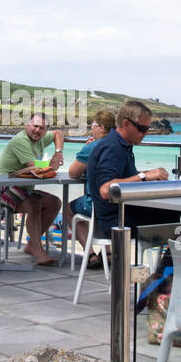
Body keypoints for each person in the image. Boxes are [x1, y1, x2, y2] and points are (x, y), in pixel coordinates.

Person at [85, 100, 173, 236]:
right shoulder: (113, 148)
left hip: (125, 214)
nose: (146, 133)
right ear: (126, 124)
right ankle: (171, 257)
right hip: (118, 221)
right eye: (142, 129)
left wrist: (147, 174)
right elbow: (105, 189)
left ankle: (170, 257)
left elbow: (122, 178)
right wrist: (143, 176)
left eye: (148, 129)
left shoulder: (121, 145)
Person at [0, 112, 66, 265]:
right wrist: (51, 165)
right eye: (35, 126)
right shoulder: (21, 141)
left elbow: (58, 133)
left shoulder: (41, 137)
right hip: (0, 188)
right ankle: (38, 251)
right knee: (34, 205)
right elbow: (34, 168)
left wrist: (58, 153)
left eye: (42, 128)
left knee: (55, 202)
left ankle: (32, 244)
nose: (37, 130)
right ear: (27, 125)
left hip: (23, 188)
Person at [67, 110, 116, 262]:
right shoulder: (118, 144)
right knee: (102, 206)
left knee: (69, 209)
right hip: (116, 203)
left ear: (101, 127)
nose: (91, 128)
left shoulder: (93, 146)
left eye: (93, 125)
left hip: (96, 204)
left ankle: (89, 254)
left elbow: (73, 173)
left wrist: (87, 148)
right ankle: (107, 253)